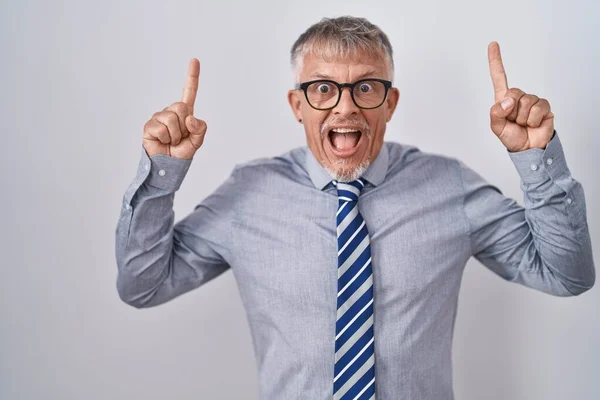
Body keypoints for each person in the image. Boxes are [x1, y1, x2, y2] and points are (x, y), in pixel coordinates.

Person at [115, 16, 595, 400]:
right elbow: (143, 286)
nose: (344, 108)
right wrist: (161, 174)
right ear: (296, 105)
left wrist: (537, 155)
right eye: (323, 88)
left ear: (390, 103)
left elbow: (566, 275)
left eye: (366, 87)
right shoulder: (249, 194)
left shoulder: (449, 186)